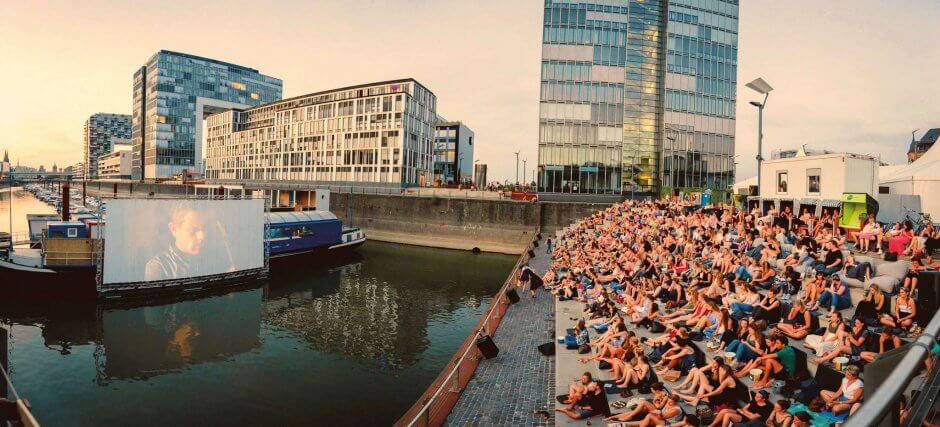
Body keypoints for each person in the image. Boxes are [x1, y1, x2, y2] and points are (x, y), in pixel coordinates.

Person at [145, 205, 209, 282]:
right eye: (193, 230)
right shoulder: (157, 266)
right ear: (174, 229)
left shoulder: (211, 256)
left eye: (204, 228)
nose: (202, 236)